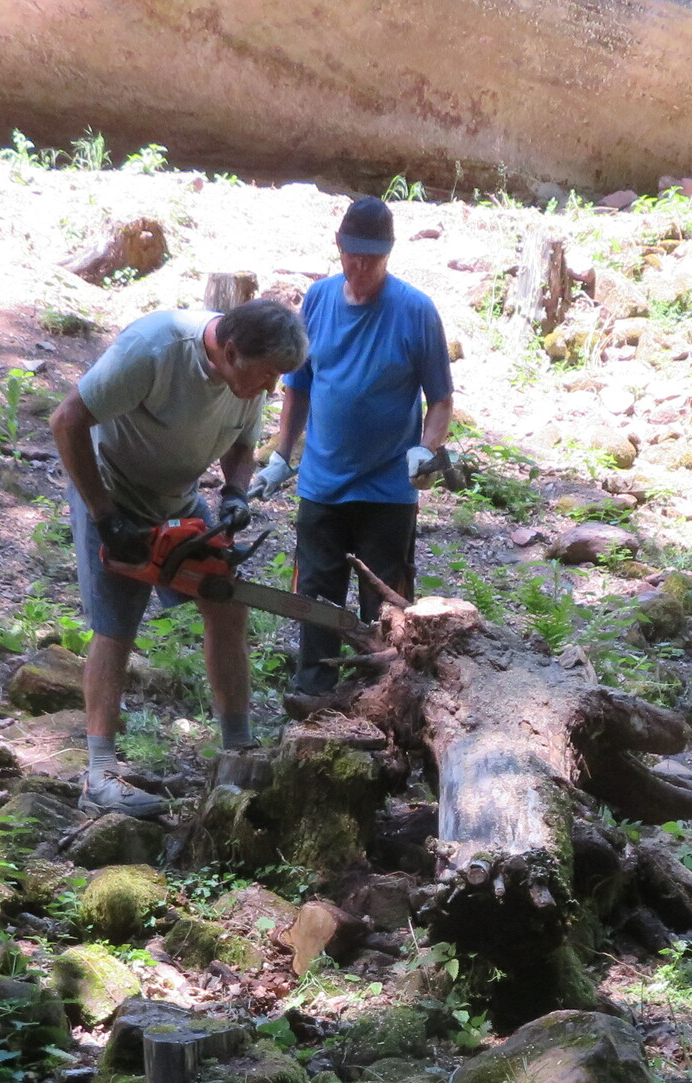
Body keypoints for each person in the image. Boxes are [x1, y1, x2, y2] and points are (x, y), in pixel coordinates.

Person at [48, 297, 310, 815]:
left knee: (227, 602)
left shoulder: (248, 379)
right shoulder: (154, 350)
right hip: (112, 488)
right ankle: (99, 774)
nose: (271, 388)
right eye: (266, 375)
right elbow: (66, 420)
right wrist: (105, 516)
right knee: (115, 625)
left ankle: (238, 748)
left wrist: (234, 494)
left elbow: (241, 446)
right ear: (230, 352)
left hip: (178, 496)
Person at [254, 195, 455, 700]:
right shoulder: (318, 300)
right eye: (352, 256)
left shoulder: (416, 311)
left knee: (385, 605)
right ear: (339, 248)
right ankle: (314, 689)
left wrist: (425, 450)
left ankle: (381, 695)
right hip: (322, 483)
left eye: (372, 259)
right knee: (315, 595)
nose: (360, 268)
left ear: (388, 255)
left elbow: (441, 400)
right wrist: (282, 455)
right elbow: (297, 384)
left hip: (387, 489)